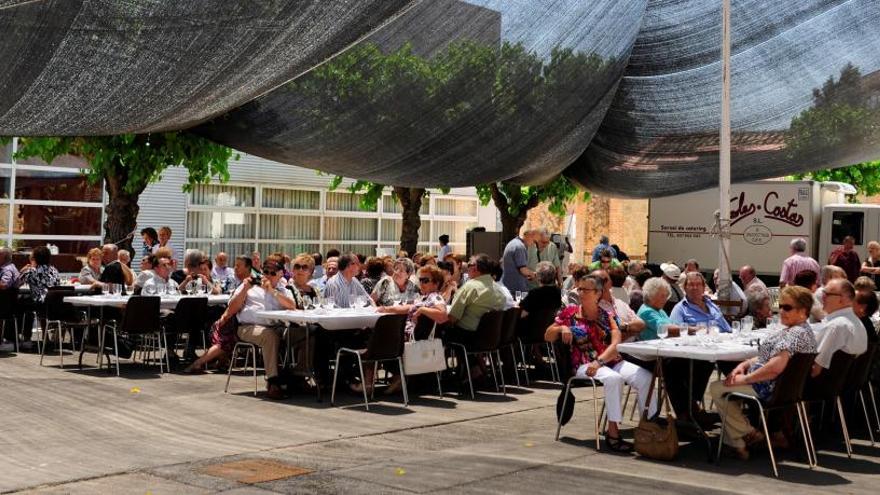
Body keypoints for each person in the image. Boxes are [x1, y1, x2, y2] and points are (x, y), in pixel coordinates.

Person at [545, 274, 657, 452]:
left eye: (585, 289)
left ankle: (651, 427)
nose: (580, 293)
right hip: (582, 364)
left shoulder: (607, 316)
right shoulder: (570, 312)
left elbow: (616, 344)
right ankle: (613, 433)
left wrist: (599, 362)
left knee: (646, 378)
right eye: (579, 289)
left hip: (607, 361)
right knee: (614, 379)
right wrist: (562, 327)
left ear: (598, 293)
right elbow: (548, 335)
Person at [709, 285, 818, 460]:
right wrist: (745, 364)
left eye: (787, 307)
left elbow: (775, 367)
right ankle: (738, 443)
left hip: (767, 387)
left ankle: (748, 434)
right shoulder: (803, 330)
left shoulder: (795, 334)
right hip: (781, 389)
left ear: (803, 311)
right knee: (727, 390)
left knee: (716, 389)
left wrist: (745, 378)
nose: (781, 311)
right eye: (780, 306)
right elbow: (768, 357)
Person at [188, 256, 295, 398]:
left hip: (277, 327)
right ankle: (273, 382)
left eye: (272, 273)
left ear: (281, 273)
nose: (268, 276)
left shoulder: (284, 289)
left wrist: (272, 291)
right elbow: (232, 307)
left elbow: (292, 306)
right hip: (247, 327)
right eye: (266, 272)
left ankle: (299, 377)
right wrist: (245, 289)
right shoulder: (250, 286)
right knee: (269, 336)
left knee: (305, 334)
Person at [376, 265, 449, 394]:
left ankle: (398, 377)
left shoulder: (434, 297)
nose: (421, 283)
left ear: (436, 283)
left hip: (411, 339)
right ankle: (399, 377)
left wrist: (422, 310)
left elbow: (443, 315)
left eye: (425, 280)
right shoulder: (423, 297)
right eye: (420, 280)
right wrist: (387, 309)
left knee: (378, 342)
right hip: (410, 337)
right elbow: (408, 307)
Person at [444, 254, 507, 380]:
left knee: (441, 332)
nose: (467, 267)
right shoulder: (499, 290)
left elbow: (452, 317)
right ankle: (472, 367)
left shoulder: (470, 286)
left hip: (468, 337)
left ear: (475, 268)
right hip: (491, 338)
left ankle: (441, 374)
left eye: (470, 264)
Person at [811, 278, 868, 378]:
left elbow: (815, 370)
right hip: (842, 388)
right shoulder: (856, 322)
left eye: (827, 294)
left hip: (820, 388)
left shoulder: (836, 326)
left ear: (842, 299)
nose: (822, 297)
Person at [593, 269, 645, 341]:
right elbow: (608, 339)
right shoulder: (594, 307)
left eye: (605, 280)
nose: (602, 284)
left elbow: (641, 324)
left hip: (633, 348)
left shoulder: (620, 303)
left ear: (611, 282)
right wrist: (632, 332)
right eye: (597, 281)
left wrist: (625, 327)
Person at [517, 262, 562, 336]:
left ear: (538, 277)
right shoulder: (557, 291)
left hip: (531, 332)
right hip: (549, 330)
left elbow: (522, 314)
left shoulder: (534, 293)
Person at [501, 227, 537, 294]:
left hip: (509, 286)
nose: (534, 242)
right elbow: (523, 270)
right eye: (533, 239)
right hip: (516, 289)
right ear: (527, 236)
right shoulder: (519, 247)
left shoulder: (514, 243)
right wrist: (533, 274)